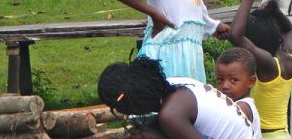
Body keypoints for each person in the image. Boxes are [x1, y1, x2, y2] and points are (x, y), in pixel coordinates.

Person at [98, 57, 255, 139]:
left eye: (118, 107)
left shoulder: (171, 115)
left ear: (131, 102)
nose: (120, 111)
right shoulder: (175, 84)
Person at [229, 0, 292, 139]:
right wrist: (274, 11)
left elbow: (235, 36)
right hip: (282, 133)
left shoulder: (268, 65)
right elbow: (287, 29)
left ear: (254, 45)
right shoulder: (290, 56)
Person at [215, 48, 262, 137]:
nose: (225, 86)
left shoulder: (242, 107)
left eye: (233, 80)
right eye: (220, 80)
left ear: (251, 82)